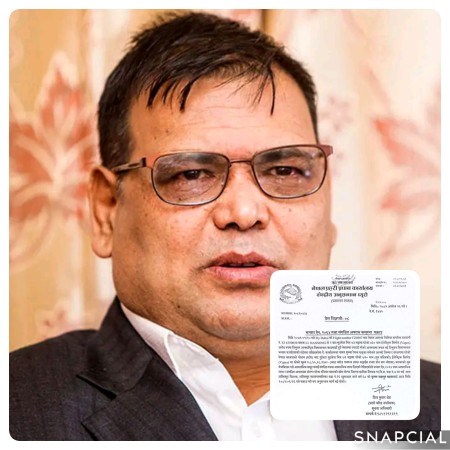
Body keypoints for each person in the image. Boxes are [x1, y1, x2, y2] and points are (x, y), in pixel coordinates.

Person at [9, 11, 440, 441]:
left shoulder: (437, 404)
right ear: (107, 210)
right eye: (191, 174)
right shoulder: (18, 410)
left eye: (285, 170)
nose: (245, 212)